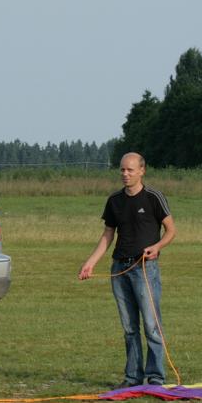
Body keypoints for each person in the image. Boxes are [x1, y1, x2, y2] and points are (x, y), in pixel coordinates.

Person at [78, 152, 176, 387]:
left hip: (144, 268)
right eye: (122, 169)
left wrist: (157, 246)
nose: (125, 174)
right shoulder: (114, 201)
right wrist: (90, 262)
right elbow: (108, 234)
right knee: (129, 327)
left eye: (130, 170)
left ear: (142, 170)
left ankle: (155, 377)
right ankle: (133, 377)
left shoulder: (154, 197)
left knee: (151, 326)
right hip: (119, 269)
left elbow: (171, 230)